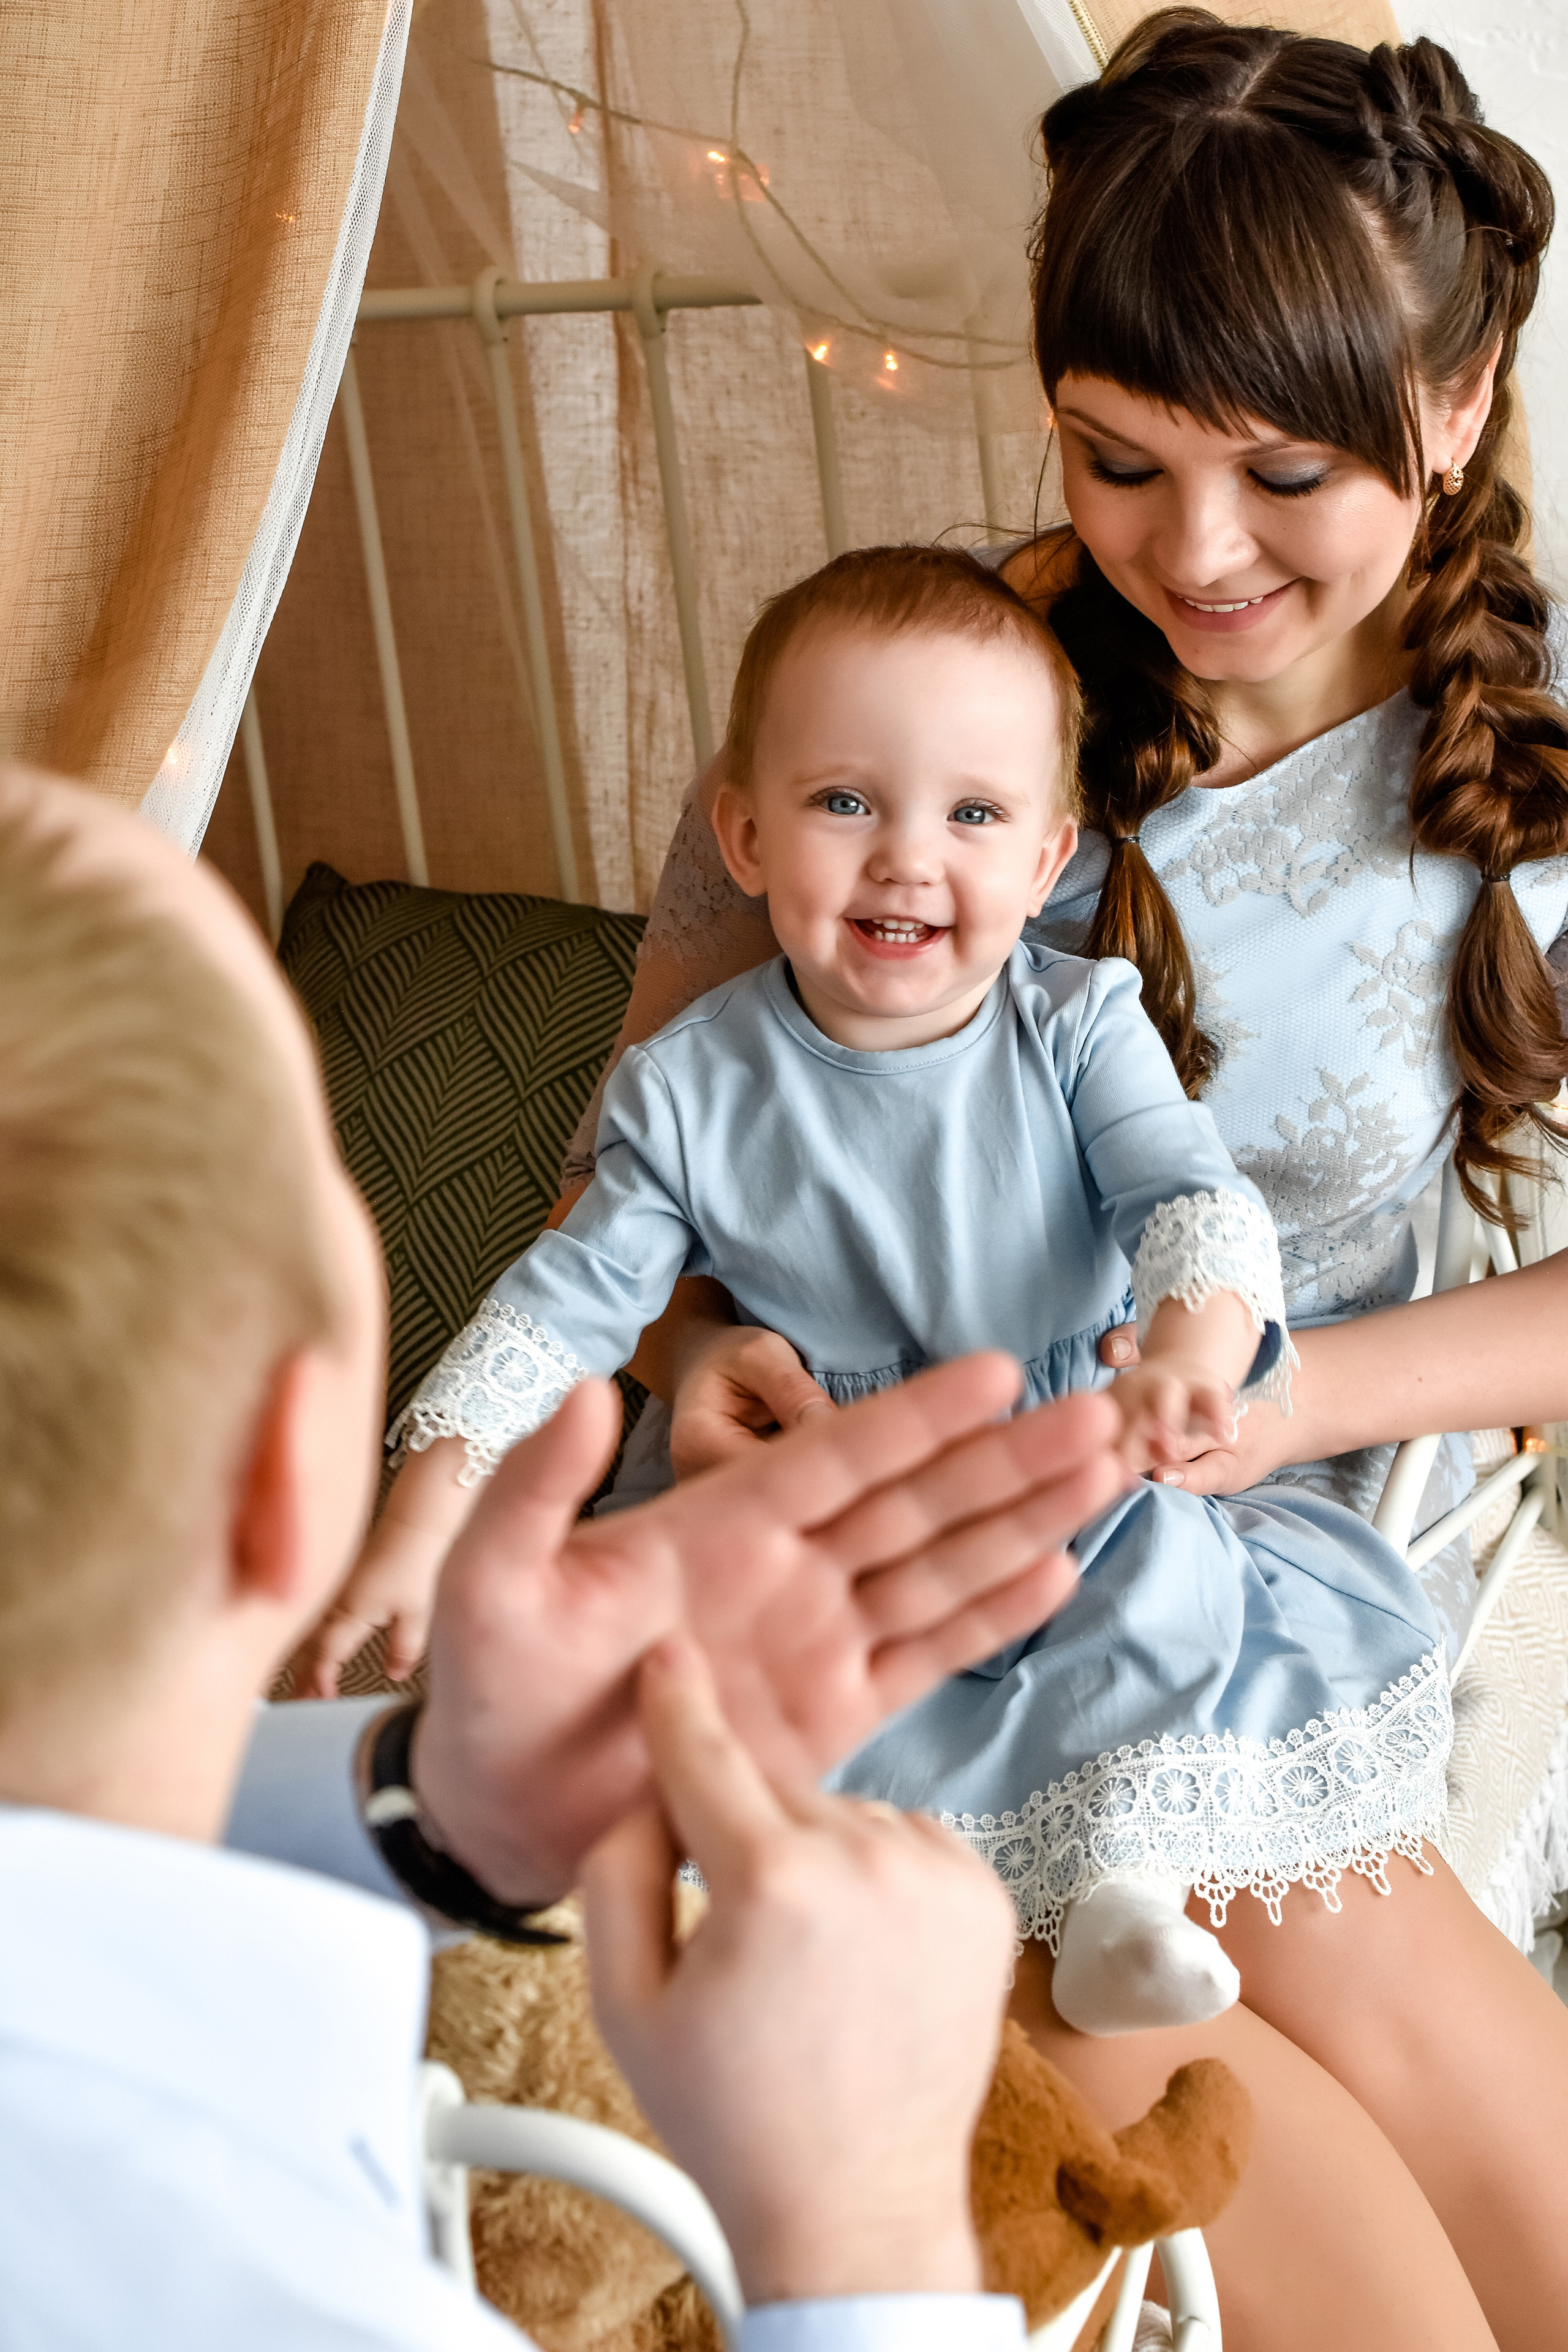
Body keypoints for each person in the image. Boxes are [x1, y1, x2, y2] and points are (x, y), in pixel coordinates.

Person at [450, 19, 1568, 2350]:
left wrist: (1282, 1393)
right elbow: (647, 1157)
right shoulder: (905, 696)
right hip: (860, 1575)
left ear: (1454, 404)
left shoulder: (1523, 793)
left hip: (1222, 1555)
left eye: (1285, 470)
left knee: (1509, 2159)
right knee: (1349, 2244)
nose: (1197, 550)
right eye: (1120, 459)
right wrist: (707, 1354)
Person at [0, 766, 1134, 2350]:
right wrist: (865, 2243)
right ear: (288, 1469)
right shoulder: (293, 2301)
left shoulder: (1077, 1026)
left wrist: (421, 1815)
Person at [317, 541, 1450, 2045]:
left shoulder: (1073, 1021)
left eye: (971, 815)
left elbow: (1185, 1199)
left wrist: (1188, 1350)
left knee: (1151, 1583)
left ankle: (1121, 1883)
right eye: (844, 802)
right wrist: (419, 1520)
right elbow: (560, 1310)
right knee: (753, 1669)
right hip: (833, 1501)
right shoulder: (690, 1088)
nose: (907, 858)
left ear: (1045, 859)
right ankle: (868, 1907)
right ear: (742, 832)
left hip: (1066, 1462)